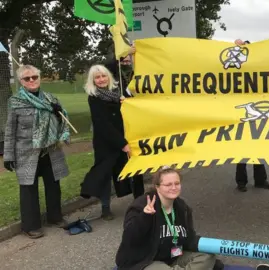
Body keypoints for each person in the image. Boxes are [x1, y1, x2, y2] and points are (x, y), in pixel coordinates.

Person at [3, 65, 70, 239]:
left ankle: (55, 217)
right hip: (26, 153)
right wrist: (8, 155)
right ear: (21, 82)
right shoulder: (15, 101)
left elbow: (62, 121)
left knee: (53, 185)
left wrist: (58, 112)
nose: (32, 80)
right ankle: (30, 226)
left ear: (39, 78)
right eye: (27, 78)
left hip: (50, 150)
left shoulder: (50, 98)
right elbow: (10, 130)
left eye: (35, 77)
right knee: (28, 190)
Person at [115, 167, 217, 270]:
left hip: (172, 257)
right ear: (157, 187)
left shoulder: (182, 208)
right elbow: (129, 237)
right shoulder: (141, 205)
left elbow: (189, 238)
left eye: (177, 183)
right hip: (145, 261)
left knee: (208, 256)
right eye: (168, 184)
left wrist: (210, 246)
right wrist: (144, 216)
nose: (174, 187)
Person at [80, 64, 143, 221]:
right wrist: (122, 144)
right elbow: (102, 124)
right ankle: (105, 208)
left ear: (109, 76)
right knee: (105, 173)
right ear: (93, 80)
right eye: (97, 77)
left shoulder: (118, 93)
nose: (101, 79)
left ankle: (140, 203)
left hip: (126, 136)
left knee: (134, 171)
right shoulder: (94, 97)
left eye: (103, 76)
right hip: (106, 142)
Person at [232, 38, 269, 193]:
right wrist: (236, 47)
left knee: (258, 148)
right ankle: (241, 182)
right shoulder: (237, 70)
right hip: (241, 114)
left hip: (257, 114)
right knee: (242, 149)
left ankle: (260, 180)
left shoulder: (259, 69)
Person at [103, 43, 145, 196]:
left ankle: (139, 196)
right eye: (124, 58)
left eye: (129, 58)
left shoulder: (135, 73)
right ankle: (109, 204)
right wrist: (122, 54)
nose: (127, 61)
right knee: (118, 162)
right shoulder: (112, 75)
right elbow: (107, 66)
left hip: (135, 123)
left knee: (137, 160)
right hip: (117, 125)